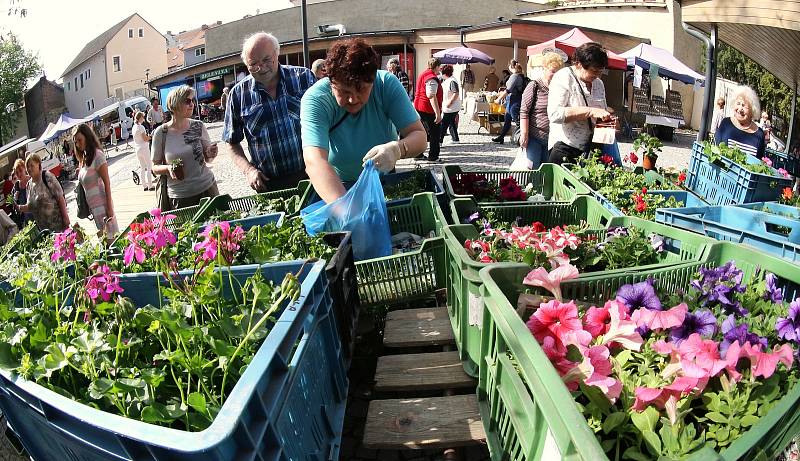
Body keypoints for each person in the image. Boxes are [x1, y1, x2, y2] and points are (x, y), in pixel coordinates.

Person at [300, 38, 427, 203]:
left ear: (373, 81)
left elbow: (419, 136)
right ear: (331, 83)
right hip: (337, 184)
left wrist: (398, 149)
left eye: (362, 90)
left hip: (383, 181)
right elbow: (315, 161)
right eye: (344, 92)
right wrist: (345, 209)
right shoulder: (315, 99)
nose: (353, 99)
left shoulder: (386, 84)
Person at [222, 32, 316, 192]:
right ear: (246, 65)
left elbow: (329, 121)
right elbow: (232, 143)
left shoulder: (303, 78)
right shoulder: (238, 94)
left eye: (266, 60)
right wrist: (249, 171)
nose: (261, 68)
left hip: (311, 175)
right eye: (253, 64)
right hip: (269, 185)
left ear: (277, 54)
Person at [152, 85, 219, 209]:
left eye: (192, 100)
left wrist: (210, 153)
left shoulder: (199, 126)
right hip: (180, 196)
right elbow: (154, 168)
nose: (192, 104)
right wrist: (168, 168)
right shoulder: (161, 132)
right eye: (187, 101)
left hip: (207, 188)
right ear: (175, 104)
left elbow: (207, 159)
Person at [547, 42, 612, 164]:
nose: (597, 75)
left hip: (590, 148)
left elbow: (600, 113)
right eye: (594, 70)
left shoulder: (599, 83)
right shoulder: (563, 77)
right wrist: (590, 111)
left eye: (600, 71)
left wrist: (608, 123)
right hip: (565, 147)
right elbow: (555, 114)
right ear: (578, 64)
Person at [73, 123, 118, 239]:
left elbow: (107, 183)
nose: (78, 144)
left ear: (87, 137)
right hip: (93, 208)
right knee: (103, 241)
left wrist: (109, 208)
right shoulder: (83, 159)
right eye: (75, 142)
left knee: (111, 240)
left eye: (79, 140)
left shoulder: (98, 156)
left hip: (103, 205)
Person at [519, 52, 564, 169]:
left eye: (558, 72)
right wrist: (524, 134)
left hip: (553, 139)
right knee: (532, 169)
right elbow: (524, 111)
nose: (555, 75)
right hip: (534, 137)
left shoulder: (560, 89)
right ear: (544, 68)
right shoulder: (534, 86)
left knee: (546, 171)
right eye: (553, 71)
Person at [16, 153, 69, 232]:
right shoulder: (29, 185)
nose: (29, 169)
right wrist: (19, 207)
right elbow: (30, 206)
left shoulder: (46, 176)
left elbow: (60, 197)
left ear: (38, 164)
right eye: (27, 167)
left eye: (32, 165)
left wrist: (65, 218)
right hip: (44, 231)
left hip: (58, 225)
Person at [714, 85, 766, 158]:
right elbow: (715, 148)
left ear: (753, 110)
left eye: (744, 106)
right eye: (738, 104)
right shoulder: (726, 123)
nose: (740, 109)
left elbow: (759, 160)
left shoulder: (759, 134)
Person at [413, 57, 443, 162]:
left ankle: (418, 154)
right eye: (440, 67)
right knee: (435, 133)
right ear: (437, 66)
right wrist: (437, 113)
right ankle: (433, 156)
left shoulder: (424, 73)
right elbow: (431, 95)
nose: (440, 69)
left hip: (419, 106)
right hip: (427, 109)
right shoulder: (432, 77)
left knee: (422, 131)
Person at [492, 60, 525, 144]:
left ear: (511, 66)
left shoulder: (515, 76)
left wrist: (498, 99)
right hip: (513, 100)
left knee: (518, 122)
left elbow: (508, 90)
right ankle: (501, 137)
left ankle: (519, 138)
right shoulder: (521, 75)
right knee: (507, 120)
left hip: (514, 101)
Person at [439, 64, 461, 144]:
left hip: (451, 107)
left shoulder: (451, 81)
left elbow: (456, 93)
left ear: (444, 73)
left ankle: (439, 141)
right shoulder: (449, 80)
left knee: (444, 124)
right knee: (451, 122)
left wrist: (449, 103)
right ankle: (455, 139)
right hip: (451, 106)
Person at [132, 111, 154, 191]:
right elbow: (145, 139)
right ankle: (150, 185)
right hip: (143, 147)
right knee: (149, 166)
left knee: (142, 167)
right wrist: (150, 136)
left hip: (137, 148)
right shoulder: (141, 127)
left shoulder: (134, 127)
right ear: (140, 118)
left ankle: (144, 185)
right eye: (143, 117)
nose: (143, 119)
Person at [10, 159, 32, 227]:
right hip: (28, 221)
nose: (19, 174)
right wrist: (15, 200)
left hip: (39, 215)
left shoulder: (32, 180)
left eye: (20, 170)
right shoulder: (16, 186)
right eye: (17, 172)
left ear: (25, 168)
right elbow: (12, 203)